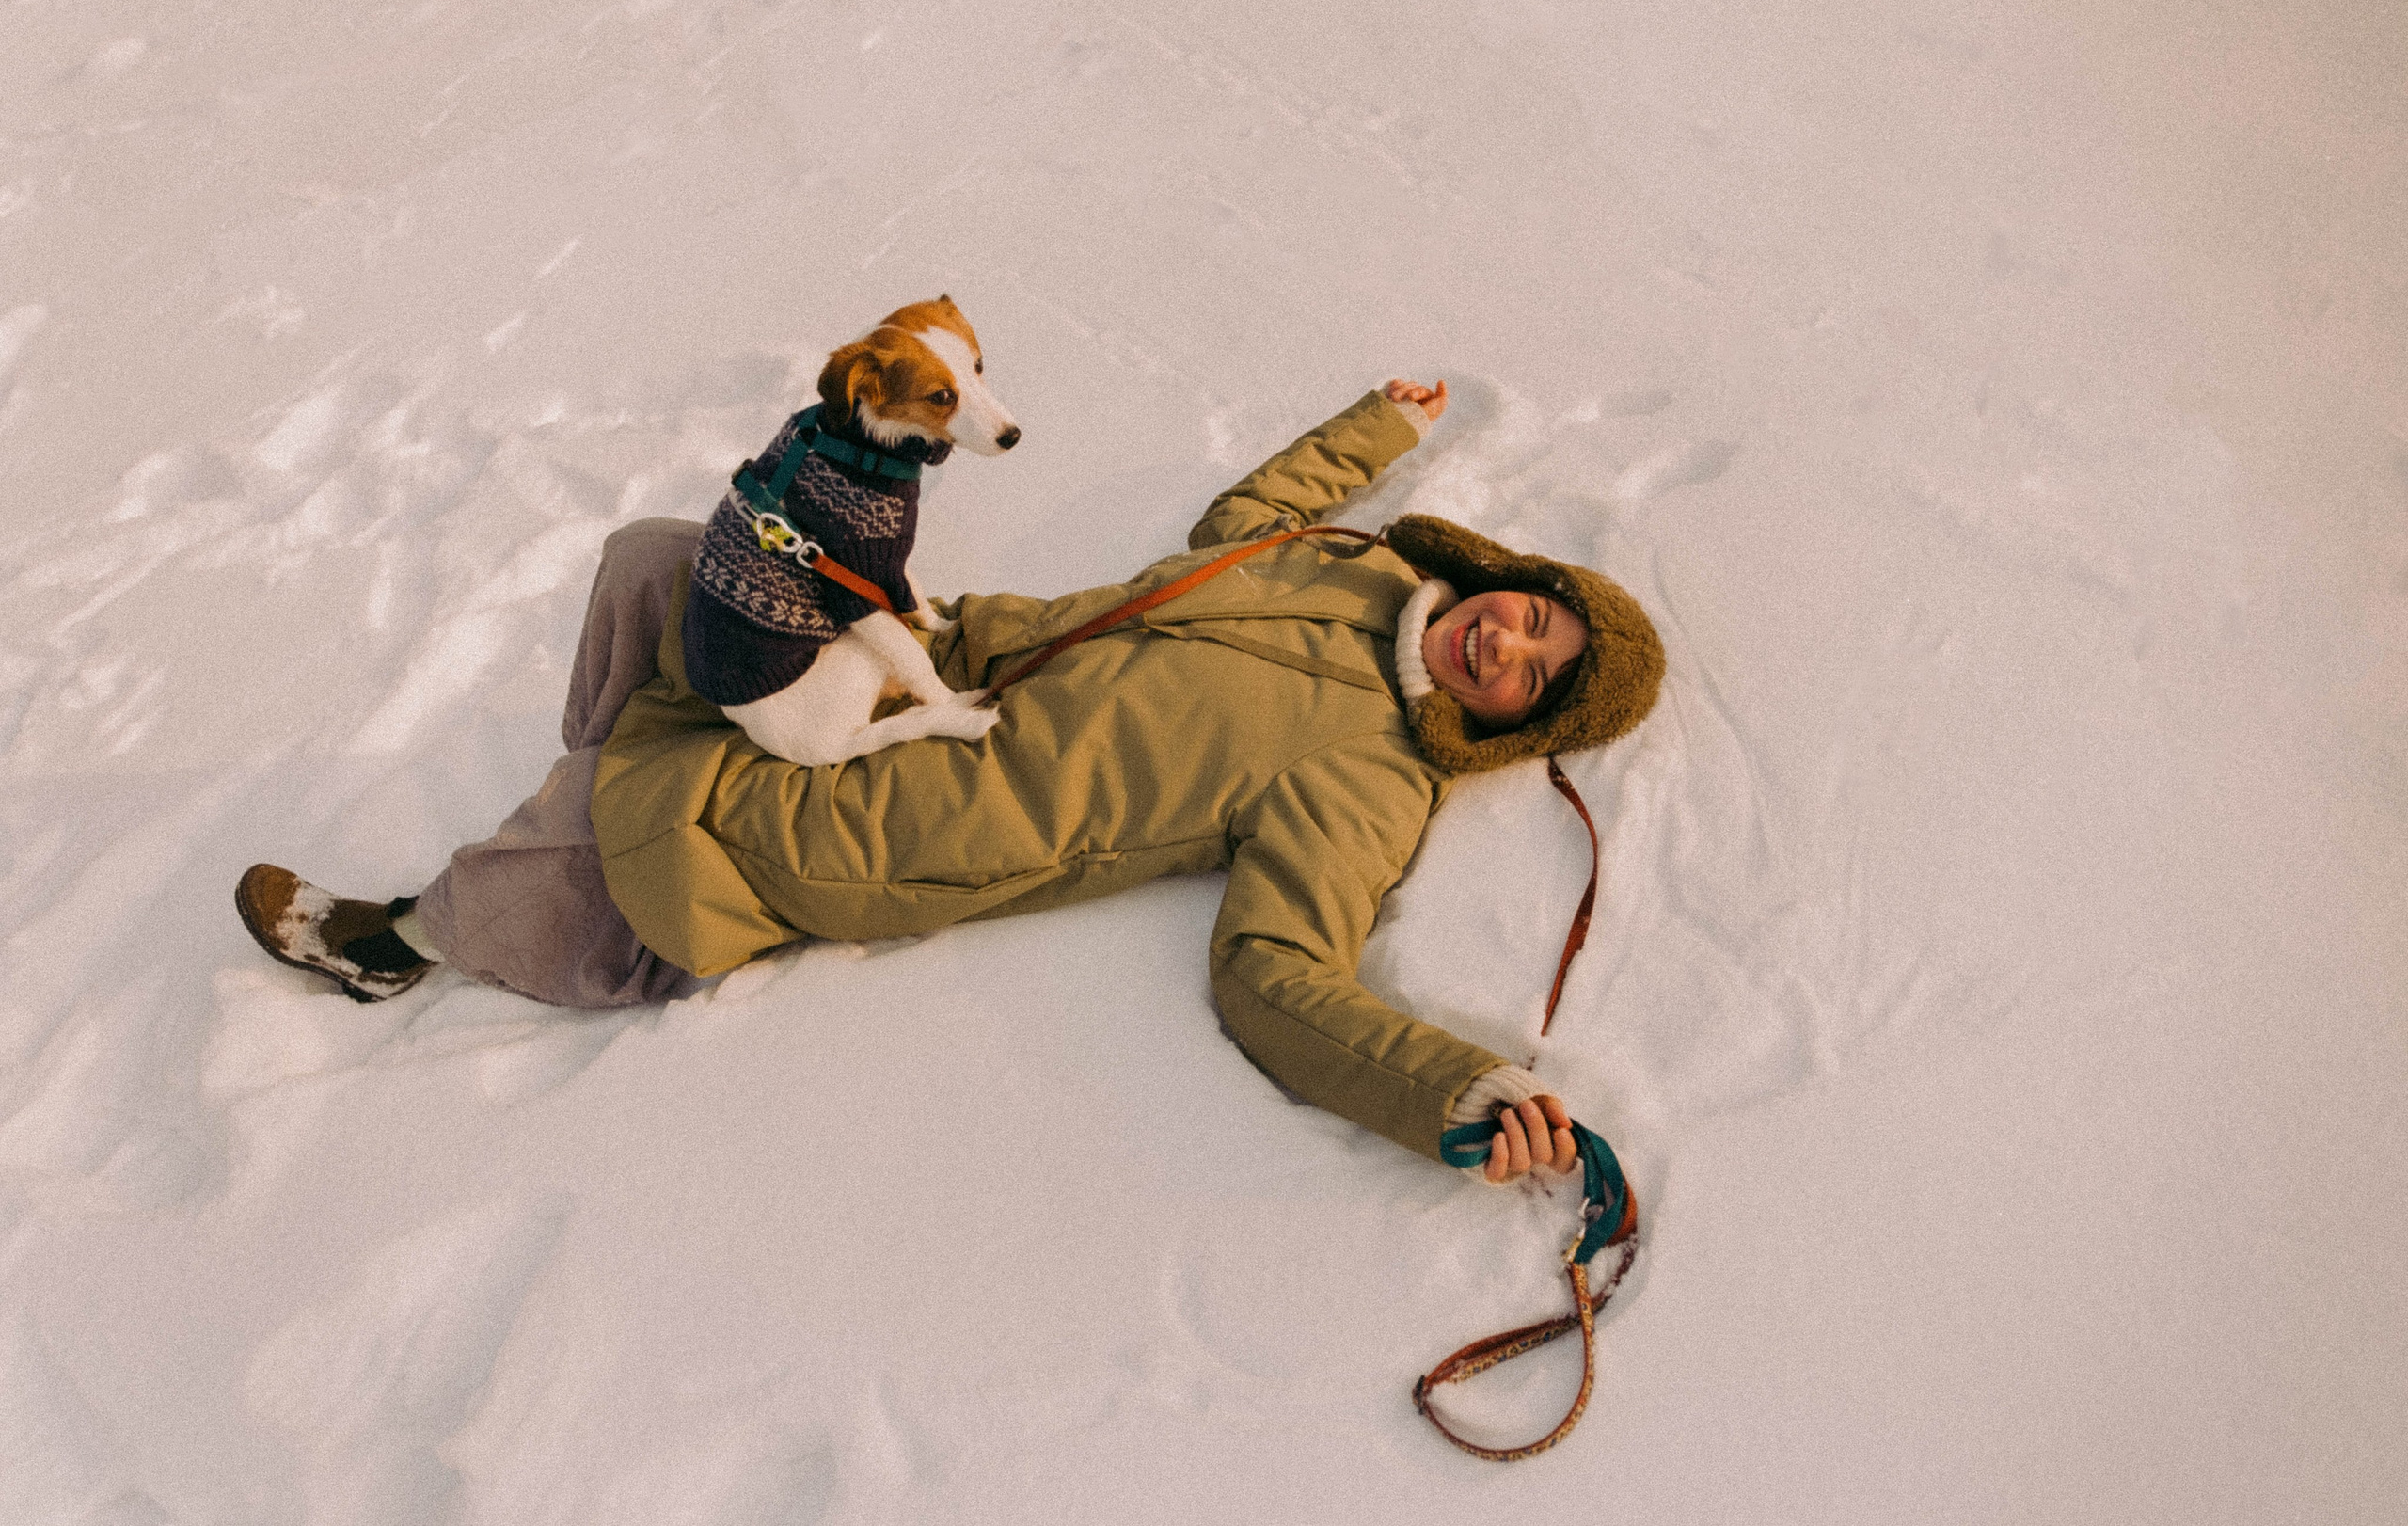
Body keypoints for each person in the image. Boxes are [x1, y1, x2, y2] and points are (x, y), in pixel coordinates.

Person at [238, 380, 1664, 1187]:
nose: (1508, 645)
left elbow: (1278, 972)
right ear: (1509, 584)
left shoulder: (1374, 789)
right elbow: (1247, 522)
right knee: (664, 561)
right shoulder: (1358, 571)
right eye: (1534, 616)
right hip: (936, 663)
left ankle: (421, 938)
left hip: (924, 812)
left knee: (645, 827)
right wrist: (1374, 432)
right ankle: (619, 774)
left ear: (1517, 724)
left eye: (1536, 676)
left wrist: (1449, 1090)